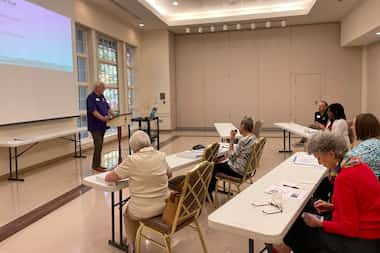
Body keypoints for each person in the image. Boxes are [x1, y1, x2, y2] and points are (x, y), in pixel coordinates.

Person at [279, 132, 380, 253]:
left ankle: (279, 249)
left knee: (297, 231)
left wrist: (320, 223)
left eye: (319, 158)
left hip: (361, 241)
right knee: (308, 210)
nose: (319, 163)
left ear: (331, 154)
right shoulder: (357, 164)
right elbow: (360, 204)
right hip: (372, 234)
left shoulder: (344, 178)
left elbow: (350, 228)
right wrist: (334, 207)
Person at [105, 130, 172, 253]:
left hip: (143, 210)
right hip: (165, 206)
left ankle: (131, 245)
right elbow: (170, 174)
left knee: (128, 213)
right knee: (134, 208)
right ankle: (133, 237)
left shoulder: (132, 160)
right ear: (148, 142)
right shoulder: (161, 155)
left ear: (133, 147)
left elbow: (109, 178)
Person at [208, 116, 256, 198]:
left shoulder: (243, 140)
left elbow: (231, 156)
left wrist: (232, 139)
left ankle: (208, 193)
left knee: (212, 166)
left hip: (237, 171)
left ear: (243, 126)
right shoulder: (253, 138)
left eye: (240, 125)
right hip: (246, 170)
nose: (239, 128)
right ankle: (211, 188)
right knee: (220, 161)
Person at [86, 81, 115, 172]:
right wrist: (102, 118)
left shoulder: (102, 97)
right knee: (98, 144)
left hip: (102, 126)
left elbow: (107, 106)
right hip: (95, 126)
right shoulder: (90, 98)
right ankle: (95, 166)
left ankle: (98, 164)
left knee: (100, 145)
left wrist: (113, 114)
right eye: (102, 88)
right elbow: (93, 111)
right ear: (97, 88)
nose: (104, 90)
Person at [350, 113, 380, 179]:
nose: (351, 127)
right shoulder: (377, 143)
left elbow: (343, 166)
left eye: (353, 125)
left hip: (367, 186)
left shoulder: (363, 148)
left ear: (361, 128)